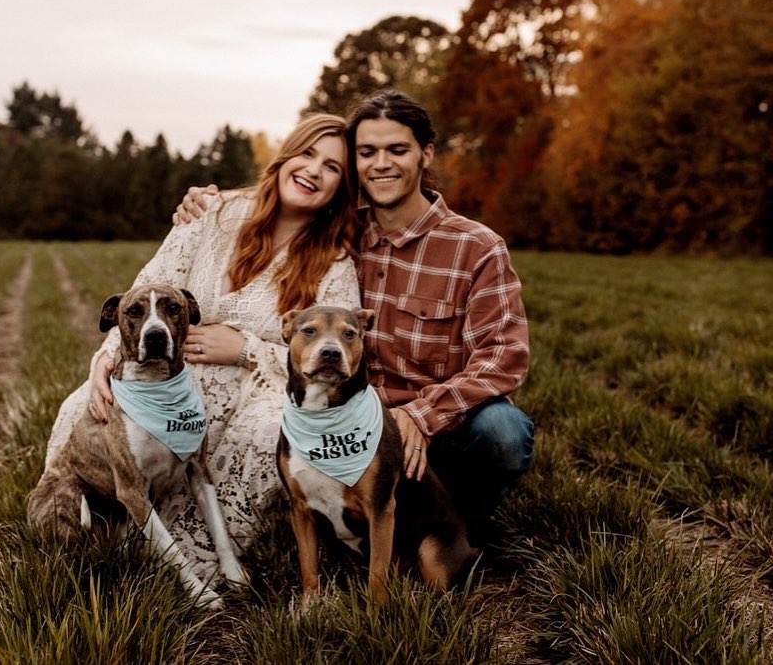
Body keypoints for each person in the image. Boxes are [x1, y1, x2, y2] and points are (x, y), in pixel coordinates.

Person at [177, 91, 534, 541]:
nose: (381, 164)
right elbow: (279, 202)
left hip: (437, 428)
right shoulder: (337, 234)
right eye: (367, 153)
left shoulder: (476, 246)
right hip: (340, 423)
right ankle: (343, 521)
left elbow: (505, 356)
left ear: (426, 155)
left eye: (397, 150)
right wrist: (206, 202)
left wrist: (422, 416)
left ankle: (446, 529)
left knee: (503, 432)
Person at [45, 113, 361, 578]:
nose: (314, 170)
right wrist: (106, 359)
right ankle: (91, 531)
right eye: (307, 153)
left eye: (332, 167)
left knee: (266, 436)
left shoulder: (334, 263)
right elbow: (145, 295)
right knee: (85, 410)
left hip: (261, 386)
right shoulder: (212, 213)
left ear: (341, 187)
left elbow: (339, 359)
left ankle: (196, 557)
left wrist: (246, 349)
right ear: (284, 157)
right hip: (167, 371)